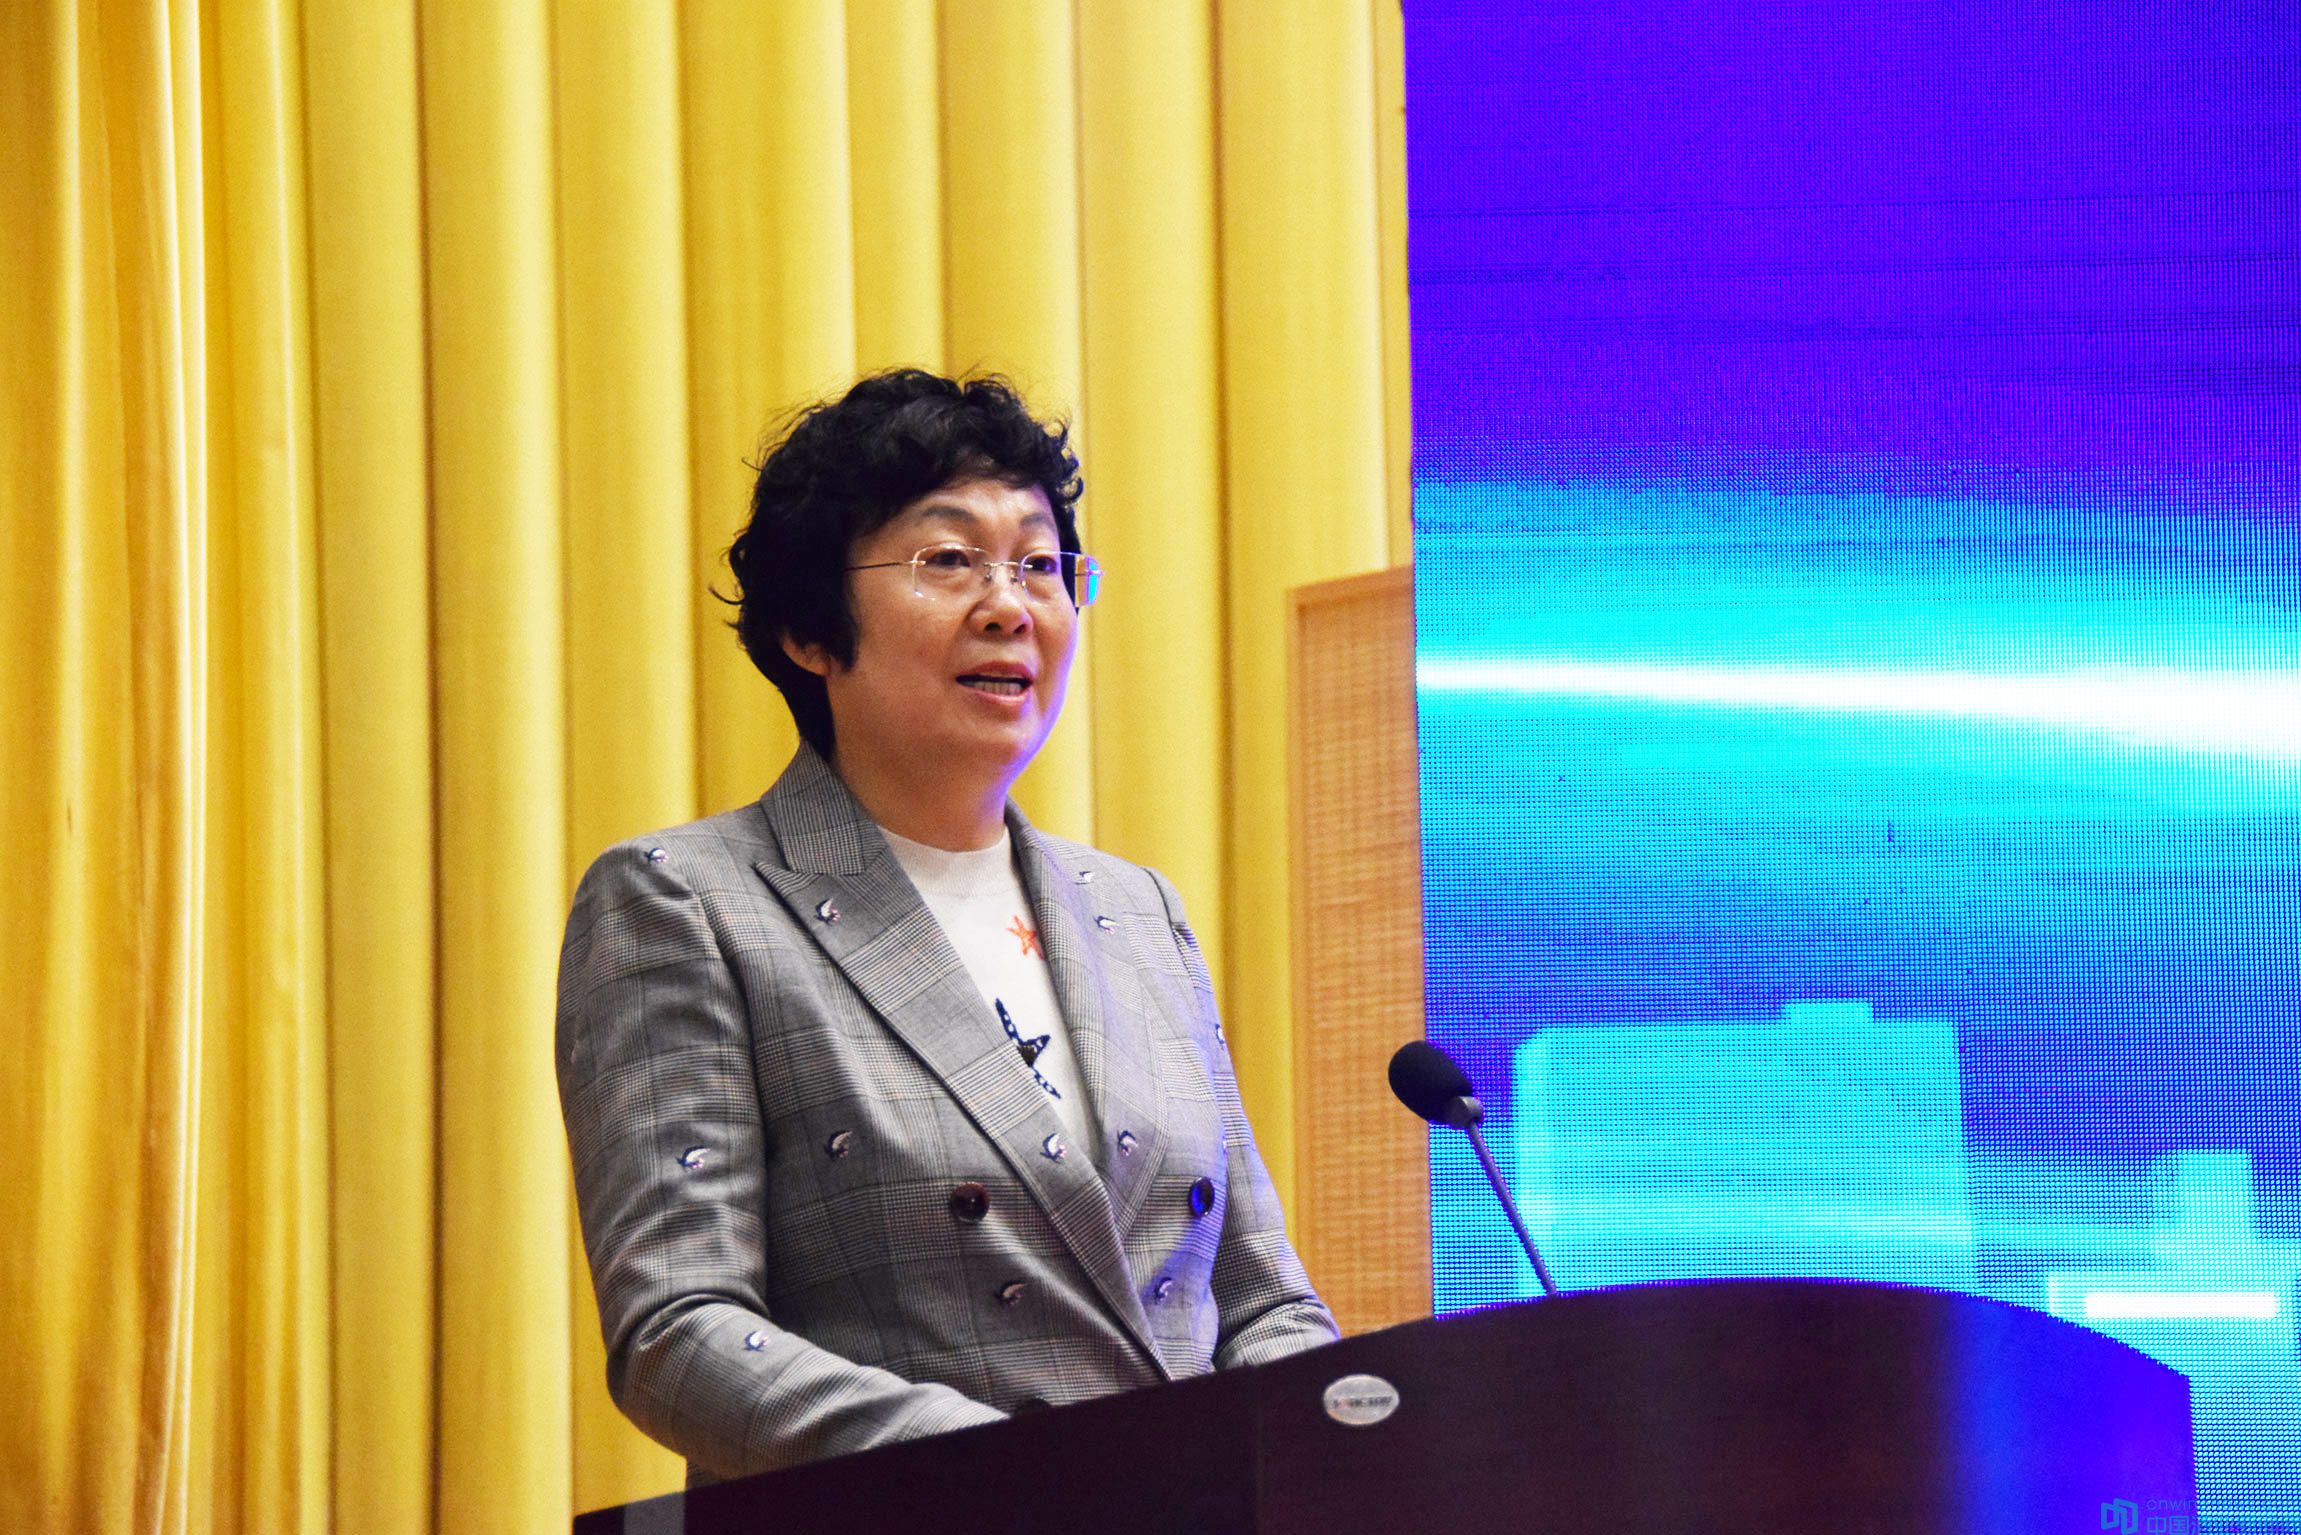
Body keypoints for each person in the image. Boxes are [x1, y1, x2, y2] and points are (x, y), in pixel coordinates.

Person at [555, 369, 1338, 1484]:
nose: (1010, 605)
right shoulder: (687, 902)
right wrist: (1018, 1474)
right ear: (809, 630)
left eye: (1040, 564)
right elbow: (678, 1331)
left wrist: (1327, 1441)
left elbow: (1260, 1296)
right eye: (949, 559)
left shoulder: (1135, 910)